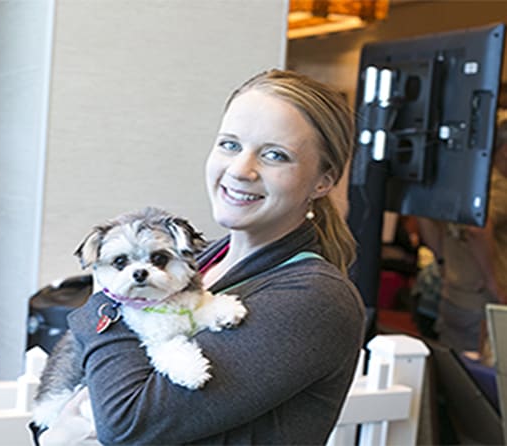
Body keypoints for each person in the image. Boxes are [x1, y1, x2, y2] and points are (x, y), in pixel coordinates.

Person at [66, 69, 366, 444]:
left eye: (275, 155)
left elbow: (127, 424)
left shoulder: (315, 300)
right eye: (230, 144)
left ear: (323, 181)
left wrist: (105, 301)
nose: (241, 170)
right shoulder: (199, 258)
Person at [418, 118, 507, 353]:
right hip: (483, 301)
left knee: (458, 373)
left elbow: (423, 214)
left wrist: (442, 260)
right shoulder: (498, 187)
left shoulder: (467, 183)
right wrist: (493, 283)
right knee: (483, 377)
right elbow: (477, 228)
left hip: (453, 295)